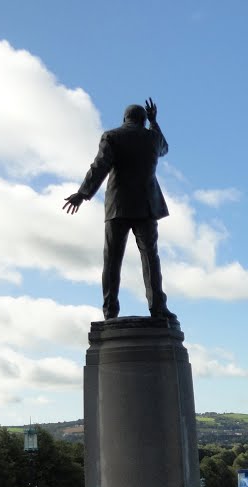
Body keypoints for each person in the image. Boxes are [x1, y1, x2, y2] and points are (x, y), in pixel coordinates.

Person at [63, 98, 173, 322]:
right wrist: (154, 123)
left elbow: (100, 166)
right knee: (151, 258)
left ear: (125, 119)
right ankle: (159, 308)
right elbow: (164, 148)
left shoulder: (112, 136)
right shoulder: (152, 138)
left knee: (112, 260)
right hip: (146, 206)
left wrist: (83, 194)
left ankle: (110, 311)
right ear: (143, 120)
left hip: (118, 206)